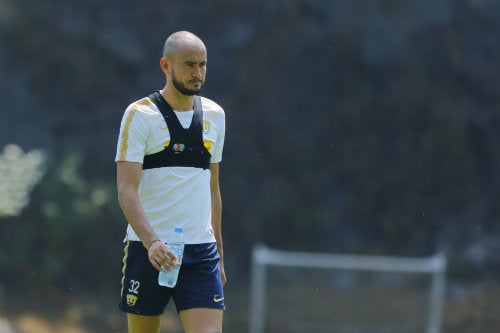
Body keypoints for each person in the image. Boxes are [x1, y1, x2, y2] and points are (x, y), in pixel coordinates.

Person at [115, 31, 226, 333]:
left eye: (203, 65)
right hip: (148, 251)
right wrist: (151, 242)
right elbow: (126, 190)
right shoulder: (139, 115)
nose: (198, 73)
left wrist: (219, 252)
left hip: (201, 253)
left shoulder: (215, 115)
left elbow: (213, 189)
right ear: (166, 65)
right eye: (189, 65)